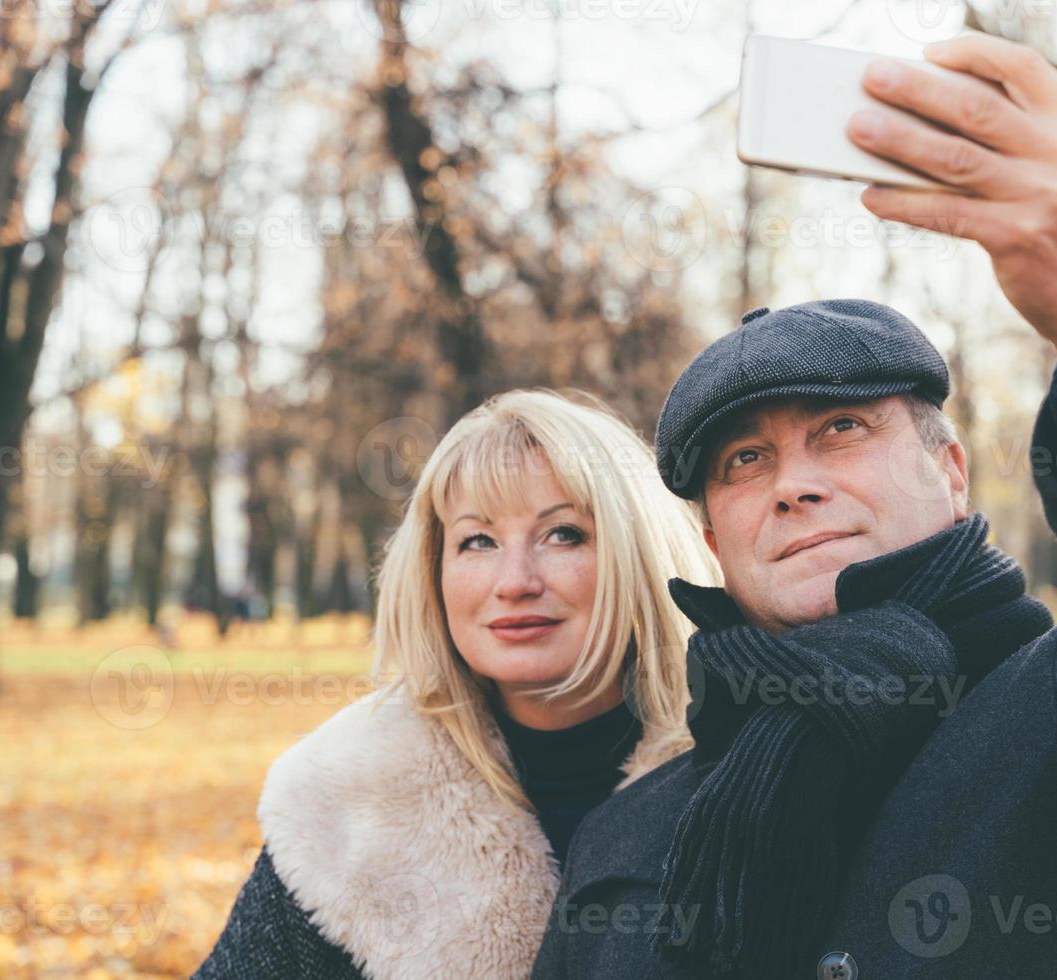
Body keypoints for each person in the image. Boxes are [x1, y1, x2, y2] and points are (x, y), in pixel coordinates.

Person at [531, 31, 1057, 980]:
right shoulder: (627, 836)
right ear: (713, 536)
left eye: (840, 430)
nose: (792, 482)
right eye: (746, 460)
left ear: (949, 469)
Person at [195, 389, 720, 979]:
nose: (514, 581)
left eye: (564, 534)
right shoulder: (350, 795)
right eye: (477, 541)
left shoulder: (746, 771)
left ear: (640, 553)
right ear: (433, 572)